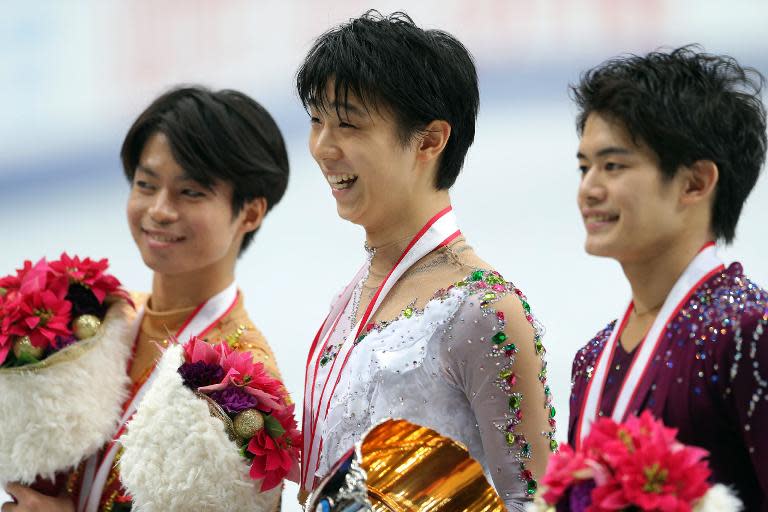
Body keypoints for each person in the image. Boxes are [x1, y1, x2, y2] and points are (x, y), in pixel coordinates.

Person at [297, 11, 556, 510]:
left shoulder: (484, 310)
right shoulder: (349, 298)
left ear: (431, 140)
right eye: (316, 120)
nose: (322, 148)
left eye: (348, 124)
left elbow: (536, 501)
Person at [2, 86, 290, 511]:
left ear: (250, 212)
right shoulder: (94, 319)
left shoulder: (243, 387)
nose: (159, 210)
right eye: (146, 184)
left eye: (190, 192)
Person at [568, 47, 768, 510]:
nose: (589, 189)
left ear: (695, 183)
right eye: (584, 167)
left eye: (613, 166)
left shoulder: (747, 334)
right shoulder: (592, 359)